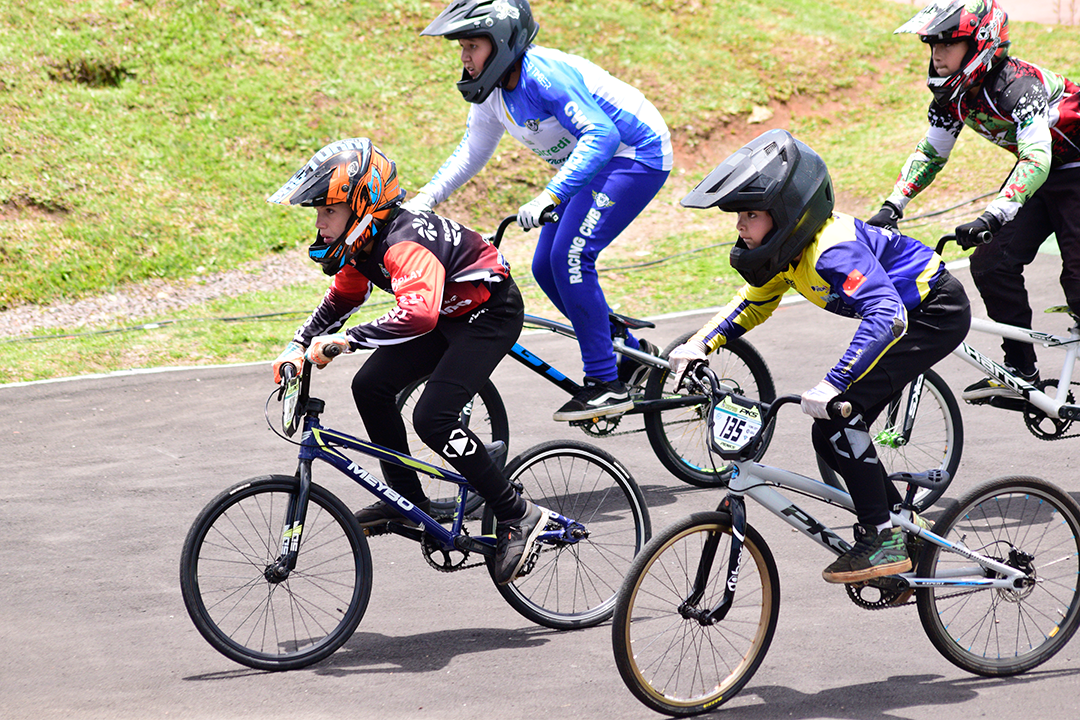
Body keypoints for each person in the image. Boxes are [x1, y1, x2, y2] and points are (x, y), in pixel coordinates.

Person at [668, 129, 971, 584]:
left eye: (750, 214)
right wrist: (698, 345)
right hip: (905, 316)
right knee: (830, 433)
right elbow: (751, 304)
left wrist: (834, 382)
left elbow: (888, 314)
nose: (740, 227)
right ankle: (904, 529)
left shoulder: (832, 250)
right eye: (739, 216)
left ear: (786, 213)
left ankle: (884, 537)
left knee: (837, 422)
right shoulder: (790, 252)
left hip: (932, 314)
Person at [268, 137, 543, 586]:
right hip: (448, 315)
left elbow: (418, 315)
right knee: (369, 387)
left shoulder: (401, 243)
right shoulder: (363, 241)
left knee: (433, 418)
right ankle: (407, 501)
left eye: (328, 210)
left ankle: (517, 512)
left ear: (362, 206)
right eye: (318, 211)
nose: (319, 223)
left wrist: (347, 341)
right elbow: (344, 298)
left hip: (488, 315)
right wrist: (297, 345)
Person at [406, 0, 674, 422]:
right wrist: (425, 199)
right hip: (592, 165)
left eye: (472, 46)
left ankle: (606, 383)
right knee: (545, 266)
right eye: (462, 47)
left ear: (500, 43)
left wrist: (550, 194)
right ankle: (627, 350)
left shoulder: (543, 75)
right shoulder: (492, 91)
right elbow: (472, 151)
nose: (464, 58)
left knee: (571, 257)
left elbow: (602, 135)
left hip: (634, 153)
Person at [868, 0, 1080, 401]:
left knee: (1078, 281)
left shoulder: (1018, 85)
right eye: (933, 45)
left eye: (948, 44)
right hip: (1047, 174)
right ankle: (1021, 372)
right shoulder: (954, 97)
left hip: (1067, 167)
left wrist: (993, 215)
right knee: (991, 263)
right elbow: (931, 154)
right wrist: (892, 206)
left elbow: (1036, 158)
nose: (937, 54)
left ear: (981, 44)